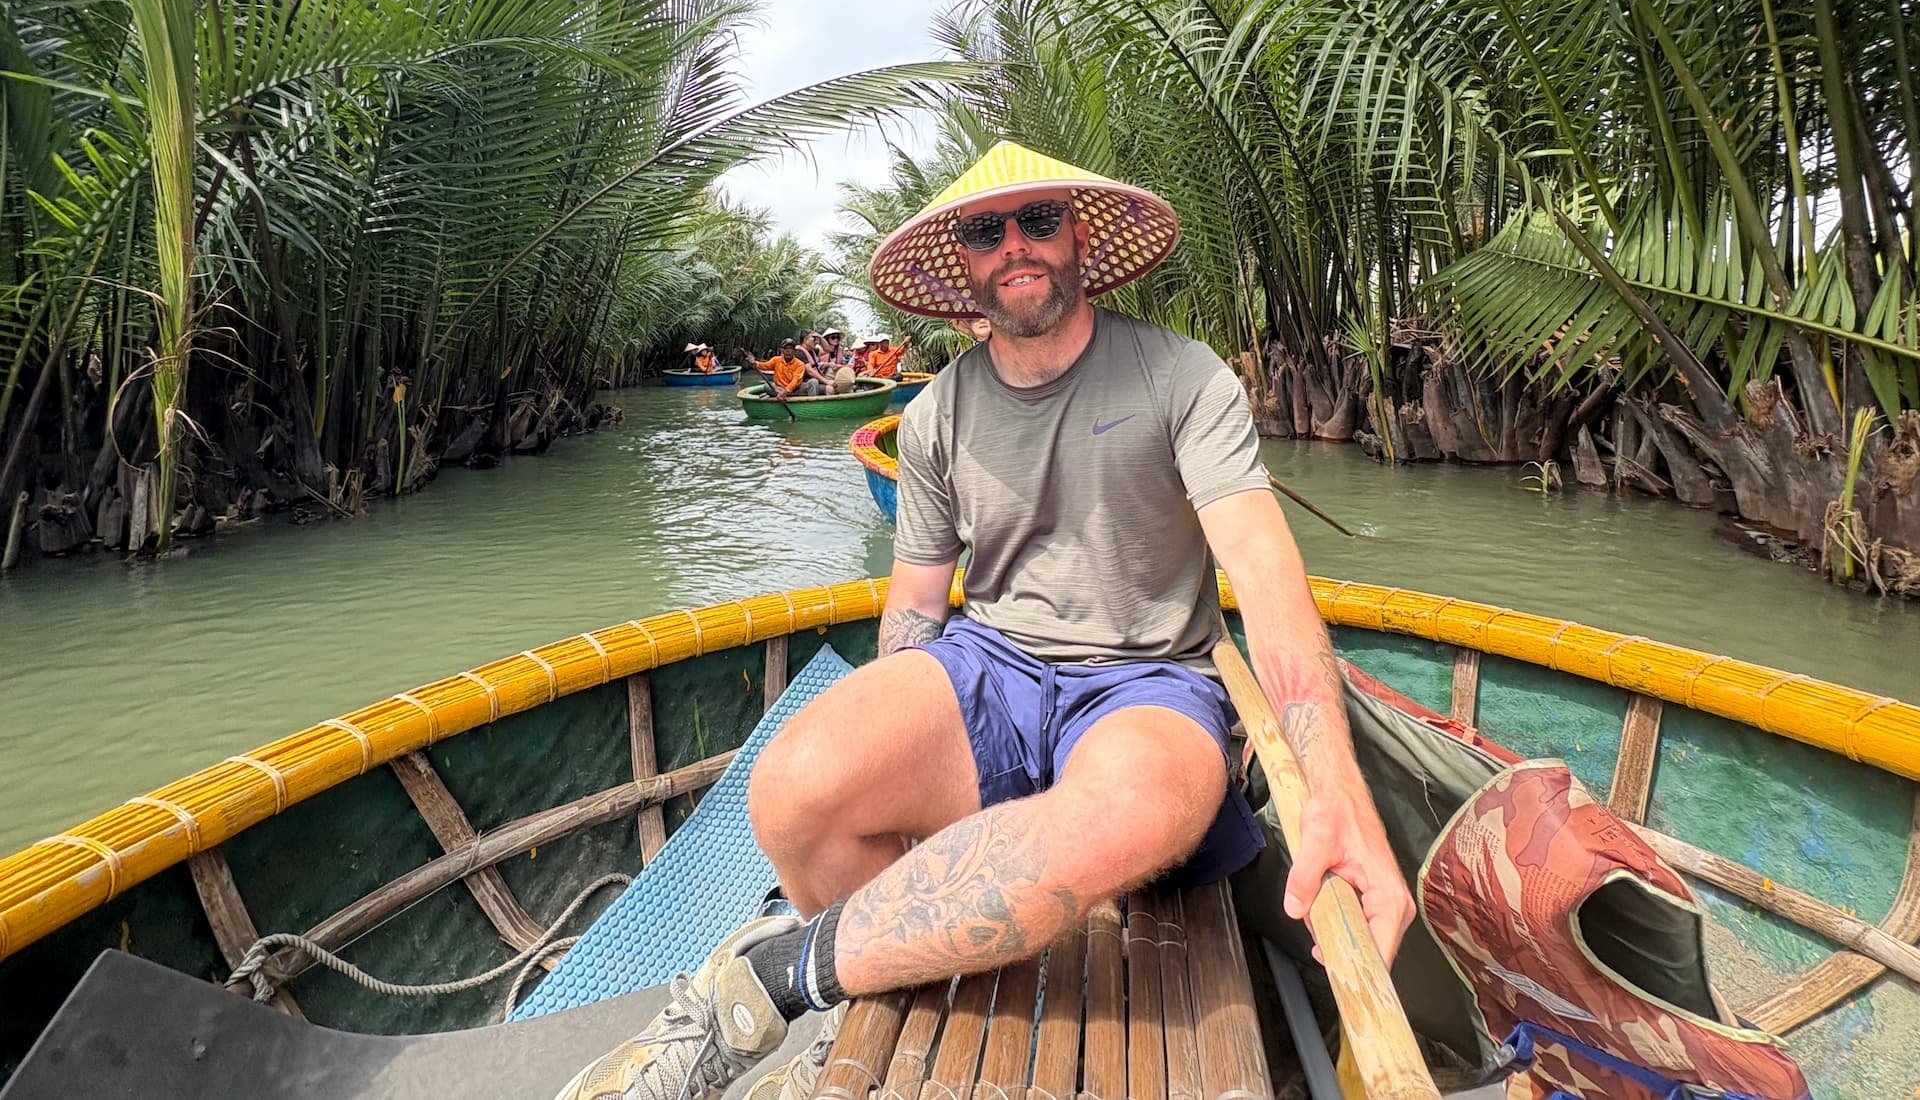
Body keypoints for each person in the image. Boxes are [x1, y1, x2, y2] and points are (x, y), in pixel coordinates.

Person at [553, 142, 1410, 1100]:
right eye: (985, 229)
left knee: (1127, 812)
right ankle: (881, 993)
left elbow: (1264, 568)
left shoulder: (1183, 378)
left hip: (1148, 682)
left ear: (1080, 234)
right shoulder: (936, 414)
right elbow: (918, 608)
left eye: (1039, 220)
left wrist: (1334, 787)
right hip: (991, 665)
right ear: (964, 260)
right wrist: (895, 755)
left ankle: (778, 979)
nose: (1016, 245)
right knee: (794, 789)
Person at [749, 341, 829, 399]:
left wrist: (786, 391)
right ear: (782, 350)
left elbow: (796, 380)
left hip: (795, 390)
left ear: (794, 351)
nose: (788, 351)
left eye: (791, 349)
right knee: (767, 386)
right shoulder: (776, 360)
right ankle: (780, 394)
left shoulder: (799, 364)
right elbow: (764, 366)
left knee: (813, 382)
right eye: (786, 349)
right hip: (780, 389)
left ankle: (812, 405)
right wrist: (754, 362)